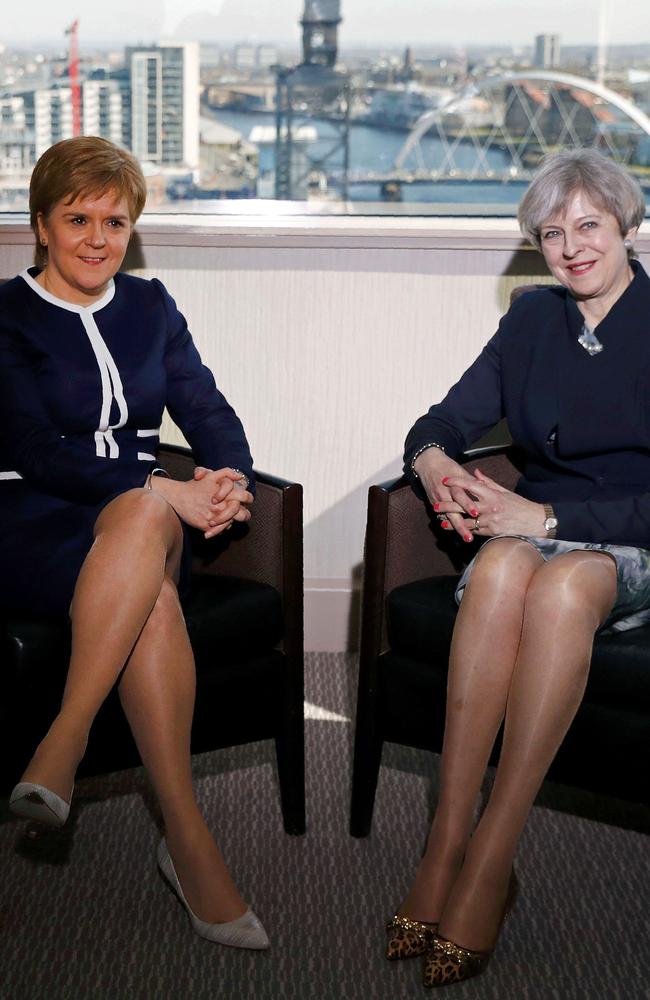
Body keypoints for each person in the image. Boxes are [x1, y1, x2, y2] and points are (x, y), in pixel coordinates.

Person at [387, 148, 648, 987]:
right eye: (551, 233)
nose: (571, 247)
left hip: (627, 540)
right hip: (529, 535)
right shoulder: (532, 319)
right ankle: (445, 843)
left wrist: (547, 518)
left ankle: (493, 859)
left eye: (588, 226)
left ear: (626, 227)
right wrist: (432, 463)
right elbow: (439, 419)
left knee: (562, 578)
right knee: (501, 570)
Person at [2, 136, 269, 950]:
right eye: (76, 218)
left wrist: (229, 481)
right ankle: (188, 844)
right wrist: (165, 492)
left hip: (134, 526)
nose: (96, 237)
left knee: (147, 527)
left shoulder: (151, 307)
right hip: (33, 522)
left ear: (133, 228)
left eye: (114, 221)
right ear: (41, 224)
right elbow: (34, 447)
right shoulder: (5, 316)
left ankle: (62, 743)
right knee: (150, 544)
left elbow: (208, 409)